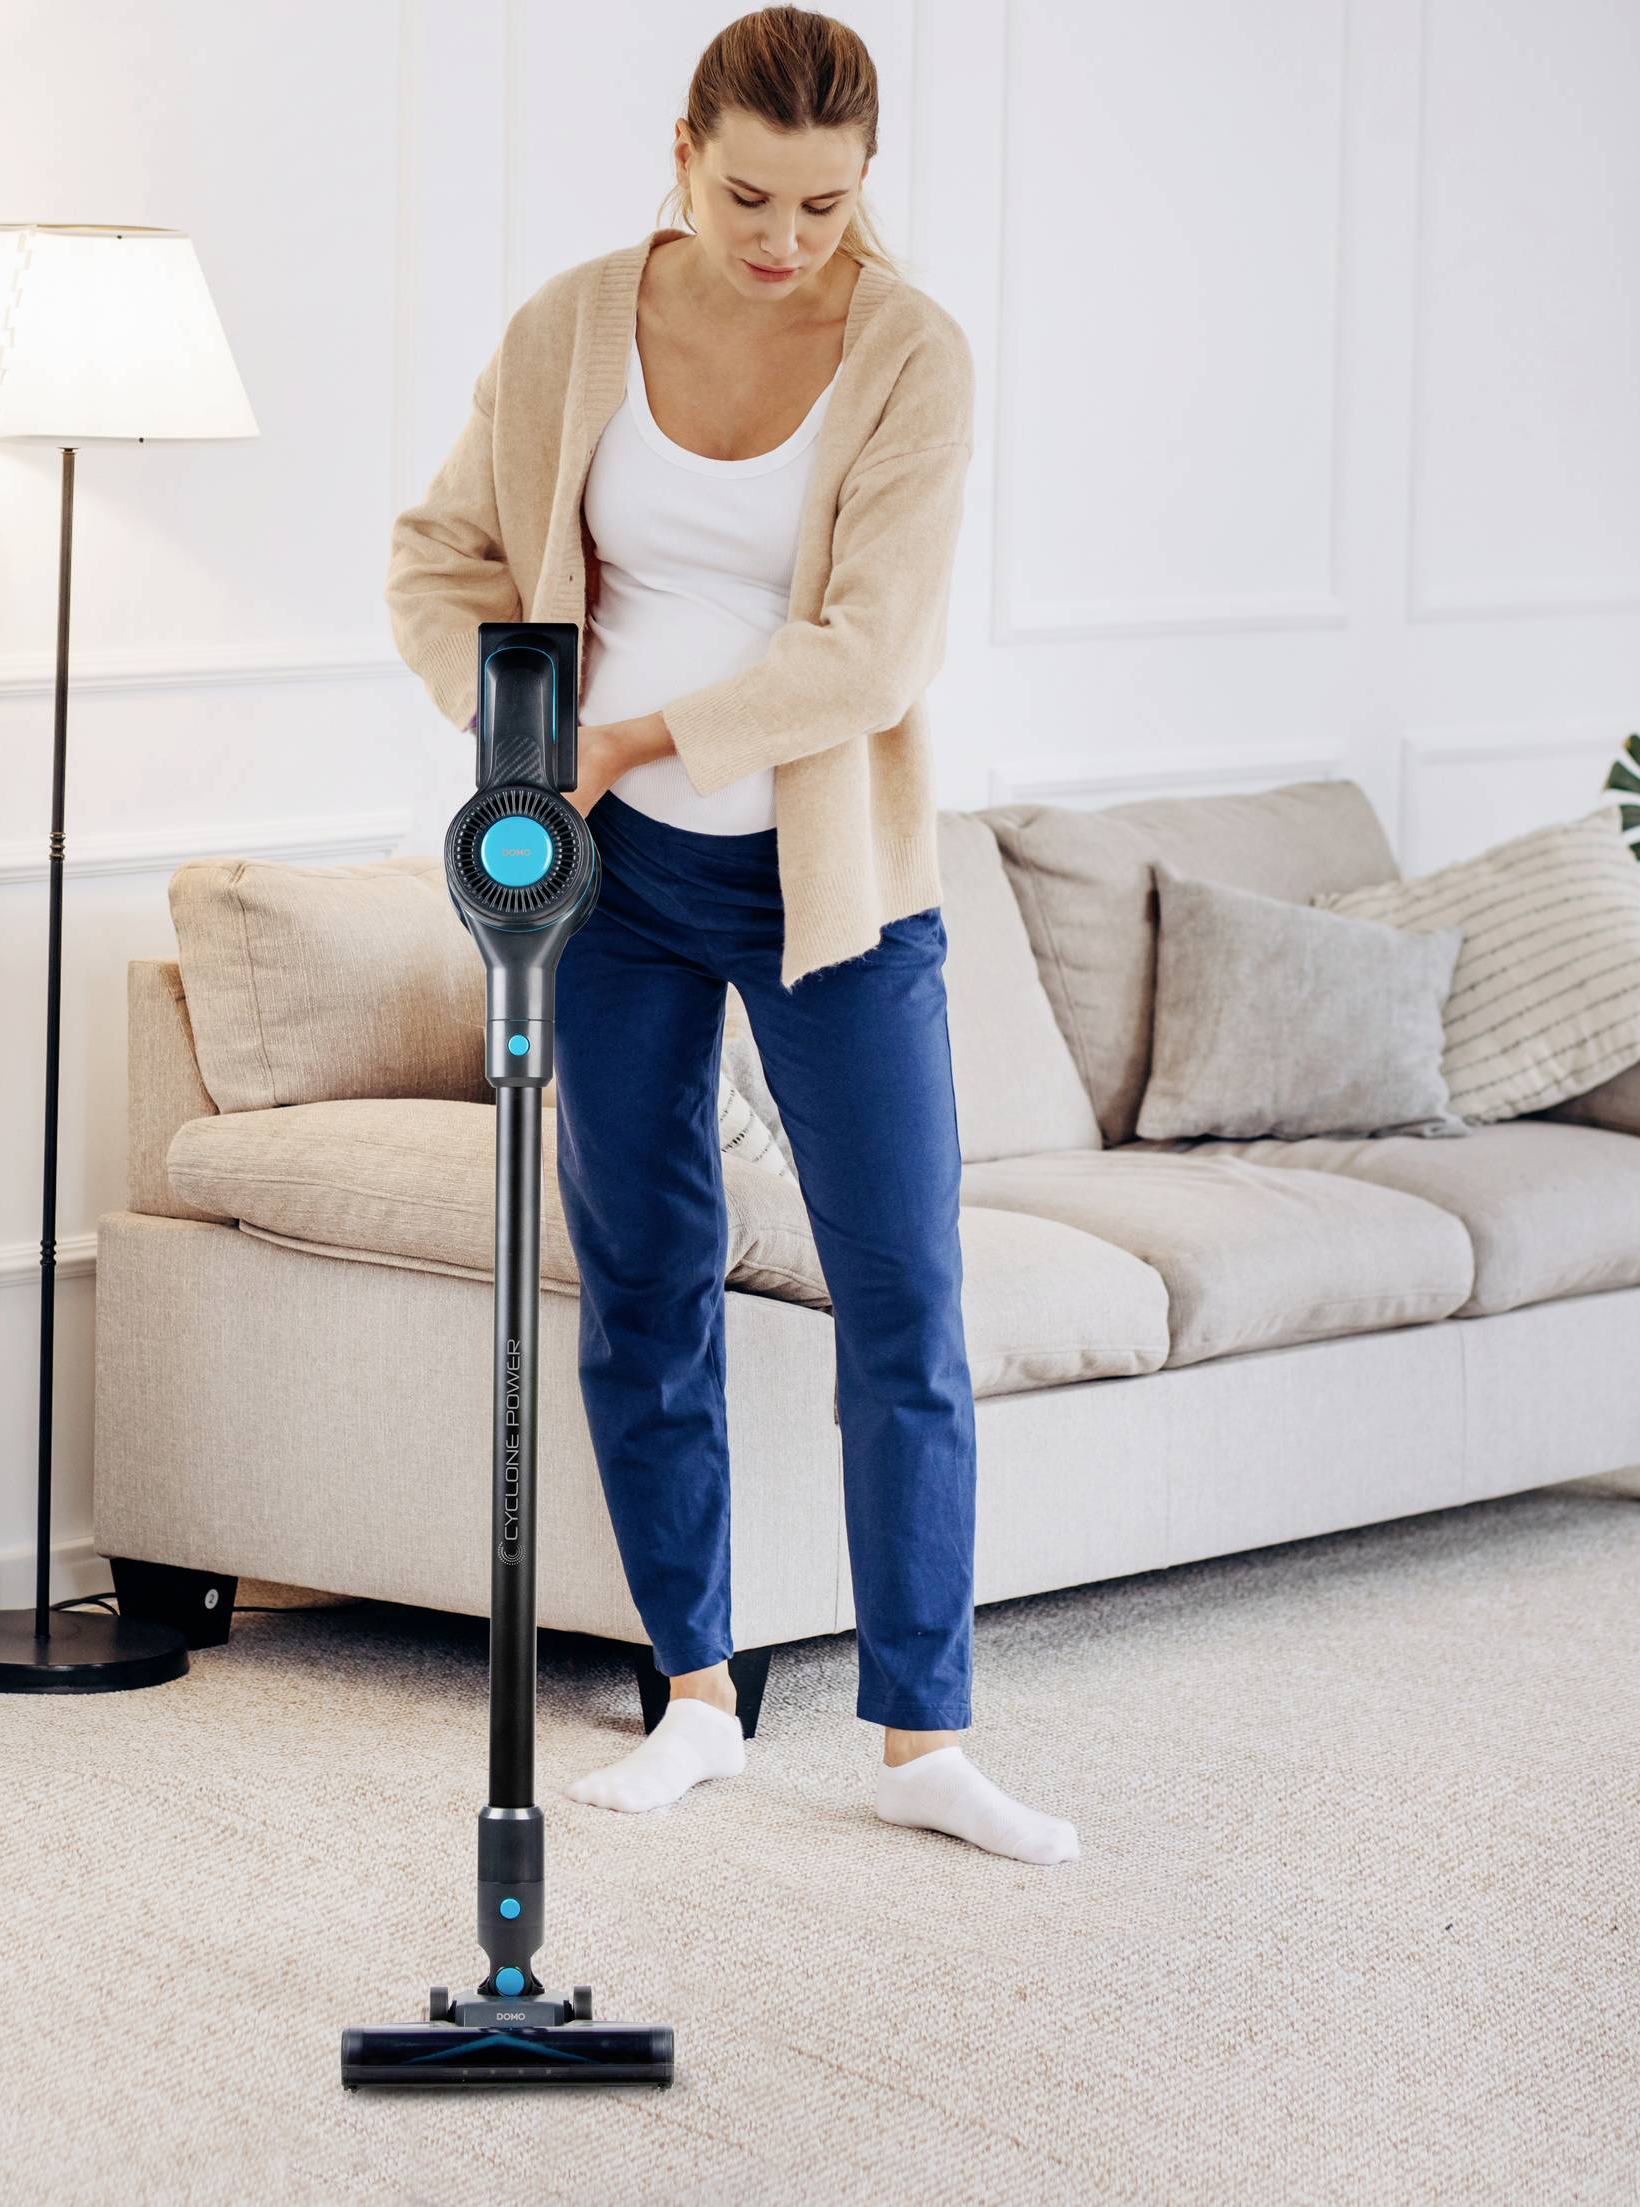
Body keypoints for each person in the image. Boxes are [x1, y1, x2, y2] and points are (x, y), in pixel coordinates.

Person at [383, 7, 1077, 1865]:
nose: (786, 239)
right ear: (681, 152)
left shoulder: (911, 354)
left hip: (830, 891)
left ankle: (926, 1739)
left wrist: (635, 734)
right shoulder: (567, 330)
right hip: (606, 886)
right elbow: (436, 557)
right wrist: (526, 732)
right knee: (643, 1281)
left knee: (905, 1300)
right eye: (752, 194)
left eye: (827, 205)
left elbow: (873, 650)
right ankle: (694, 1696)